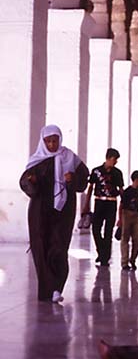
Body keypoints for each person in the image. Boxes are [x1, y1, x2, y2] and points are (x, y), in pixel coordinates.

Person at [19, 124, 89, 302]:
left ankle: (56, 288)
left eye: (54, 140)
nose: (51, 145)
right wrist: (32, 181)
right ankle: (48, 291)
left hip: (63, 212)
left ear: (60, 139)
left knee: (58, 248)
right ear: (43, 142)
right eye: (48, 141)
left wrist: (72, 179)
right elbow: (25, 183)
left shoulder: (70, 157)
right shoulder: (37, 160)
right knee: (41, 247)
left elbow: (83, 181)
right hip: (40, 212)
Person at [82, 148, 124, 266]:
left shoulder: (117, 173)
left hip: (112, 203)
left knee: (108, 231)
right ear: (108, 158)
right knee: (95, 229)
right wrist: (86, 205)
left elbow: (121, 190)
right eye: (114, 160)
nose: (115, 162)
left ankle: (105, 258)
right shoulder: (96, 171)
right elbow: (90, 188)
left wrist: (124, 203)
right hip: (99, 202)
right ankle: (101, 252)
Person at [118, 170, 138, 271]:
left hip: (135, 215)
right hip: (126, 215)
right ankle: (124, 262)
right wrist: (120, 219)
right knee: (125, 238)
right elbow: (121, 206)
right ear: (137, 180)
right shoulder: (127, 191)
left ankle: (132, 259)